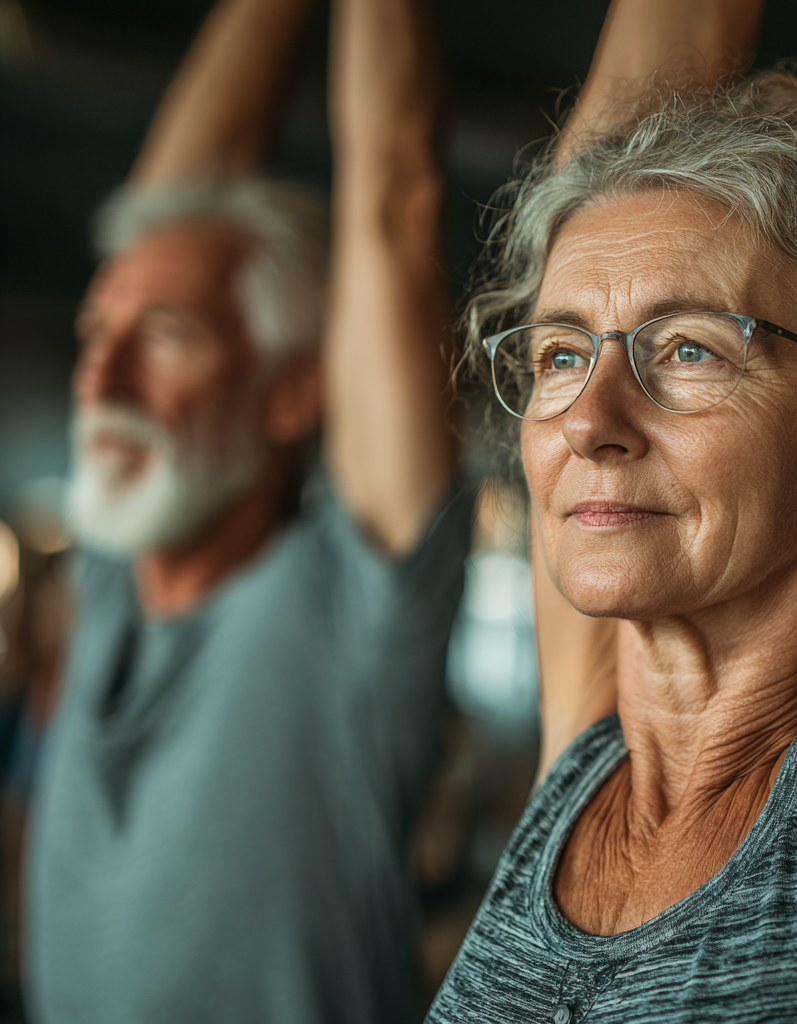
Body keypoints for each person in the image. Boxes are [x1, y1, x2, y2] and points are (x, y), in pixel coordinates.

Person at [427, 0, 797, 1019]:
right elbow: (611, 125)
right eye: (562, 353)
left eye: (689, 349)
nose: (589, 423)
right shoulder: (583, 752)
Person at [25, 0, 473, 1019]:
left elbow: (392, 206)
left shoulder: (348, 604)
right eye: (99, 332)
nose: (104, 377)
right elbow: (165, 214)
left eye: (169, 334)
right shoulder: (112, 575)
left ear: (291, 392)